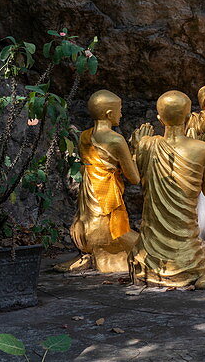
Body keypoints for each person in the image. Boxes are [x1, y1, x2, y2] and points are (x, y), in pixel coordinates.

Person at [130, 90, 205, 290]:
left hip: (148, 259)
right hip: (188, 252)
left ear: (159, 119)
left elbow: (133, 177)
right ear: (189, 118)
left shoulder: (147, 145)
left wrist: (137, 148)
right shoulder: (201, 148)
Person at [56, 90, 139, 273]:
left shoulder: (83, 137)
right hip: (108, 226)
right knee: (147, 247)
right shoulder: (116, 140)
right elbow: (134, 178)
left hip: (83, 226)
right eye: (120, 110)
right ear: (110, 114)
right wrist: (137, 149)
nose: (122, 114)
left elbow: (99, 164)